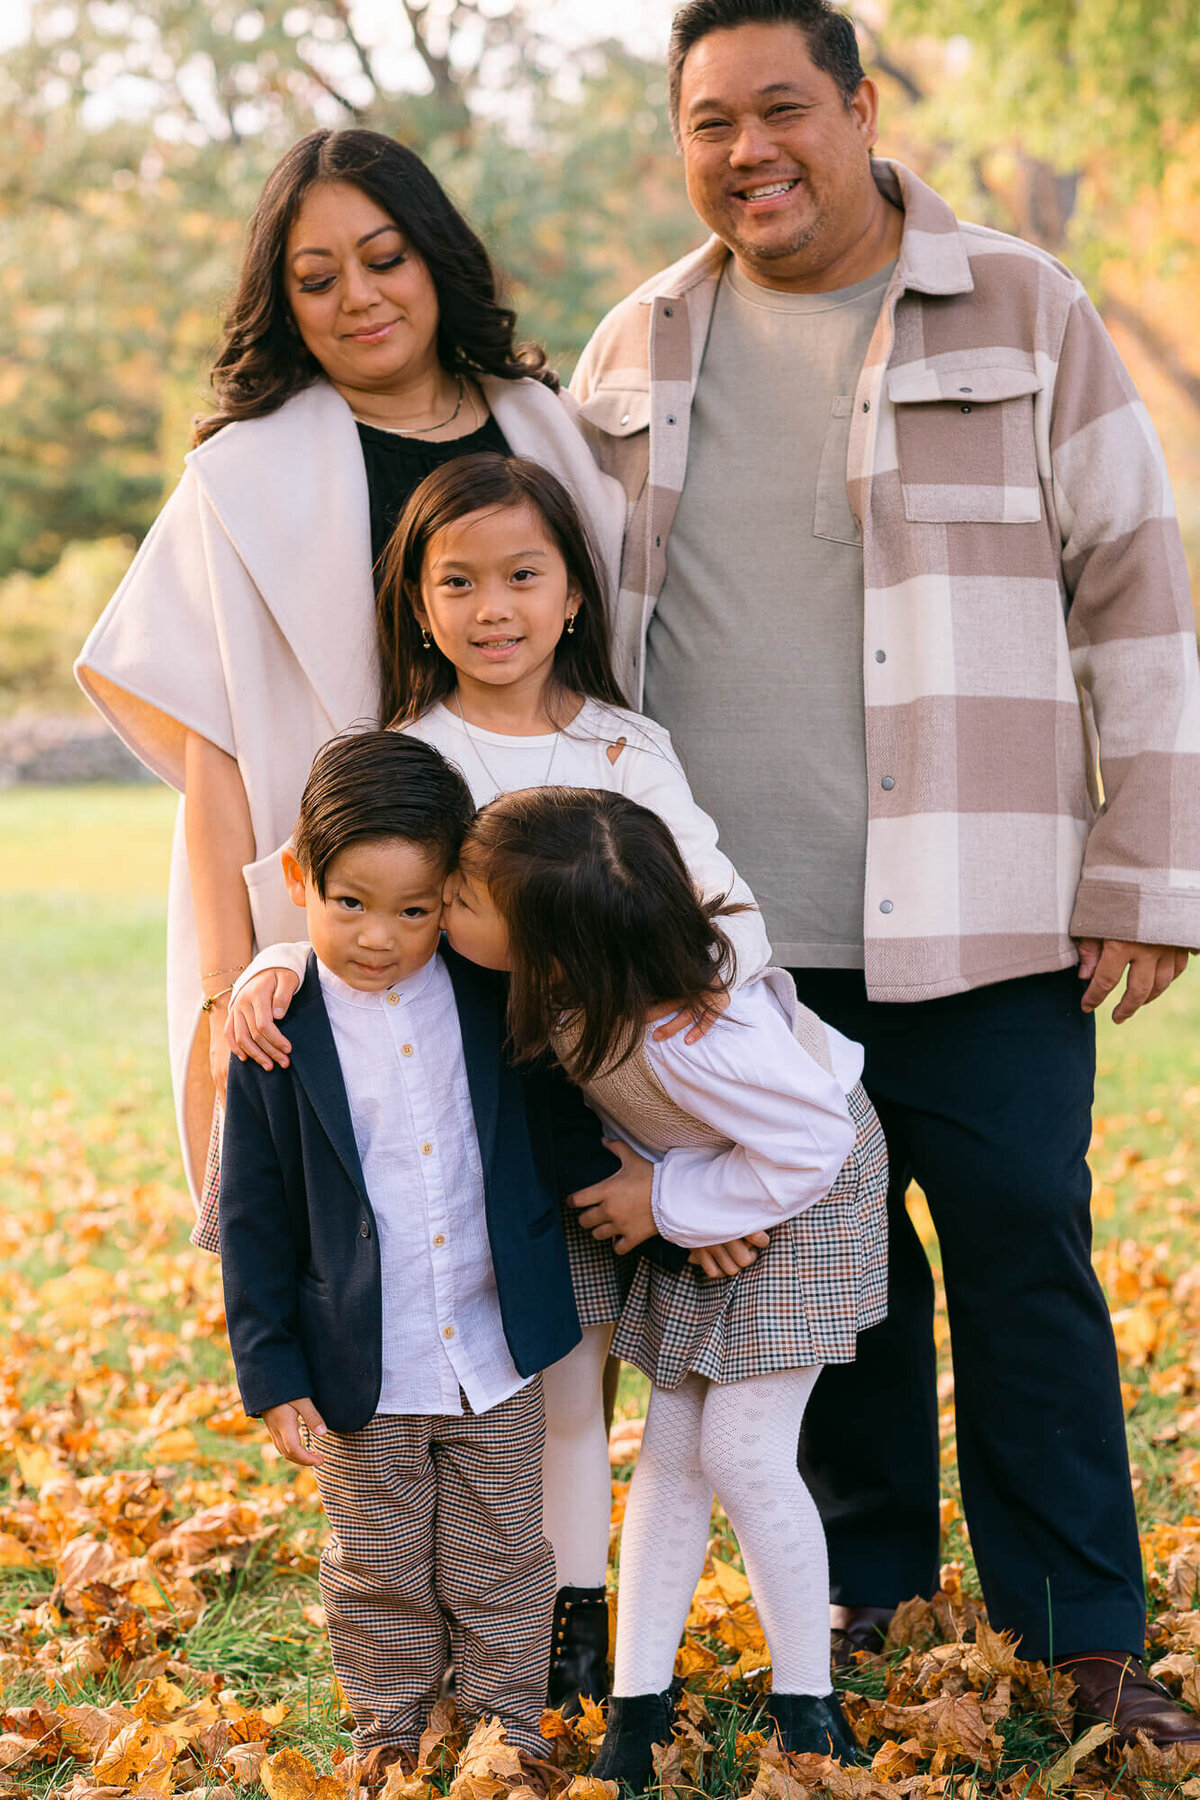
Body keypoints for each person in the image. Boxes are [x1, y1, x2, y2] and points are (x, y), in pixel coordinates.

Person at [569, 0, 1200, 1747]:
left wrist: (1147, 867)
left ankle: (1083, 1634)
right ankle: (867, 1600)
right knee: (818, 1292)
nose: (748, 151)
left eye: (784, 110)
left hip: (988, 912)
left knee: (1023, 1266)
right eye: (711, 123)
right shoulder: (634, 344)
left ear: (858, 109)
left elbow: (1137, 584)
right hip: (732, 954)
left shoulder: (1021, 304)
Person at [224, 451, 774, 1712]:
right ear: (417, 604)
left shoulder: (626, 747)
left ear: (575, 591)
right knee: (556, 1382)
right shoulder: (414, 753)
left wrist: (698, 1137)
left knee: (685, 1394)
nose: (494, 609)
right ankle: (565, 1626)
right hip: (497, 1129)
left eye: (524, 575)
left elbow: (721, 912)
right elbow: (343, 895)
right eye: (458, 581)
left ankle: (662, 1624)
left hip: (647, 1113)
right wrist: (262, 960)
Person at [74, 126, 624, 1229]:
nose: (357, 298)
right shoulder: (240, 476)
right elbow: (210, 750)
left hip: (538, 900)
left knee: (566, 1223)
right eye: (315, 279)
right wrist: (233, 987)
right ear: (283, 303)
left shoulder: (549, 433)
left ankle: (568, 1417)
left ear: (434, 258)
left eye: (384, 259)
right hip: (354, 919)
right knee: (386, 1246)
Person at [440, 784, 888, 1780]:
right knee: (676, 1447)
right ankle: (637, 1708)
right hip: (719, 1178)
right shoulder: (579, 986)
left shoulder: (696, 1039)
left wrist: (674, 1201)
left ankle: (809, 1705)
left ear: (554, 951)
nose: (446, 906)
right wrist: (689, 1199)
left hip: (807, 1188)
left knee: (741, 1448)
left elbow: (809, 1142)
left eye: (467, 900)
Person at [219, 728, 624, 1765]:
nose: (378, 937)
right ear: (303, 876)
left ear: (453, 896)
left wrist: (632, 1188)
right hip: (362, 1353)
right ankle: (389, 1738)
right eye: (349, 903)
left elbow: (552, 1117)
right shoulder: (276, 1034)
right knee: (380, 1563)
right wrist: (270, 1369)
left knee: (501, 1558)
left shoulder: (492, 995)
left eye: (414, 910)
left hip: (496, 1342)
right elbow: (255, 1217)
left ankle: (506, 1735)